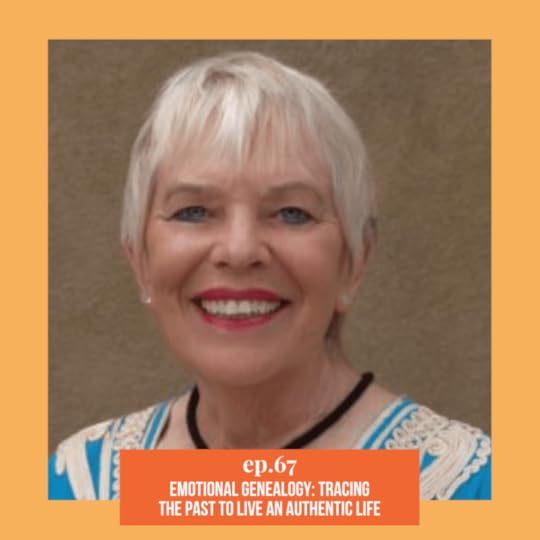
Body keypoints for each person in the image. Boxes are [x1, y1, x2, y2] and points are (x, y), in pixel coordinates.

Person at [48, 51, 491, 500]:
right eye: (194, 211)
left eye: (292, 213)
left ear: (354, 262)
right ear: (139, 259)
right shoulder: (82, 485)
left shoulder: (468, 487)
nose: (240, 250)